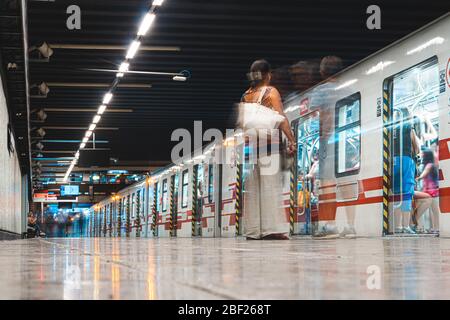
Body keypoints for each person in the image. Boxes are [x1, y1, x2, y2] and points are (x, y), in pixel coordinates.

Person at [240, 59, 296, 240]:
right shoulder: (271, 92)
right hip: (270, 147)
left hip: (253, 149)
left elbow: (243, 126)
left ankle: (253, 230)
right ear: (268, 75)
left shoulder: (245, 95)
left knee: (254, 190)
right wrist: (292, 139)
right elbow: (280, 118)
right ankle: (272, 229)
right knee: (270, 188)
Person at [392, 107, 421, 234]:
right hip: (406, 160)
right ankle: (405, 226)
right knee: (407, 193)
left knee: (397, 193)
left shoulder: (392, 128)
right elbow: (417, 147)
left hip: (393, 161)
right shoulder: (409, 127)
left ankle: (397, 226)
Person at [415, 148, 440, 234]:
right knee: (434, 212)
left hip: (432, 192)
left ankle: (436, 228)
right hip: (433, 192)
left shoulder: (429, 165)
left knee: (434, 212)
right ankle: (434, 228)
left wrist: (418, 178)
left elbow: (423, 174)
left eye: (423, 155)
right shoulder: (432, 165)